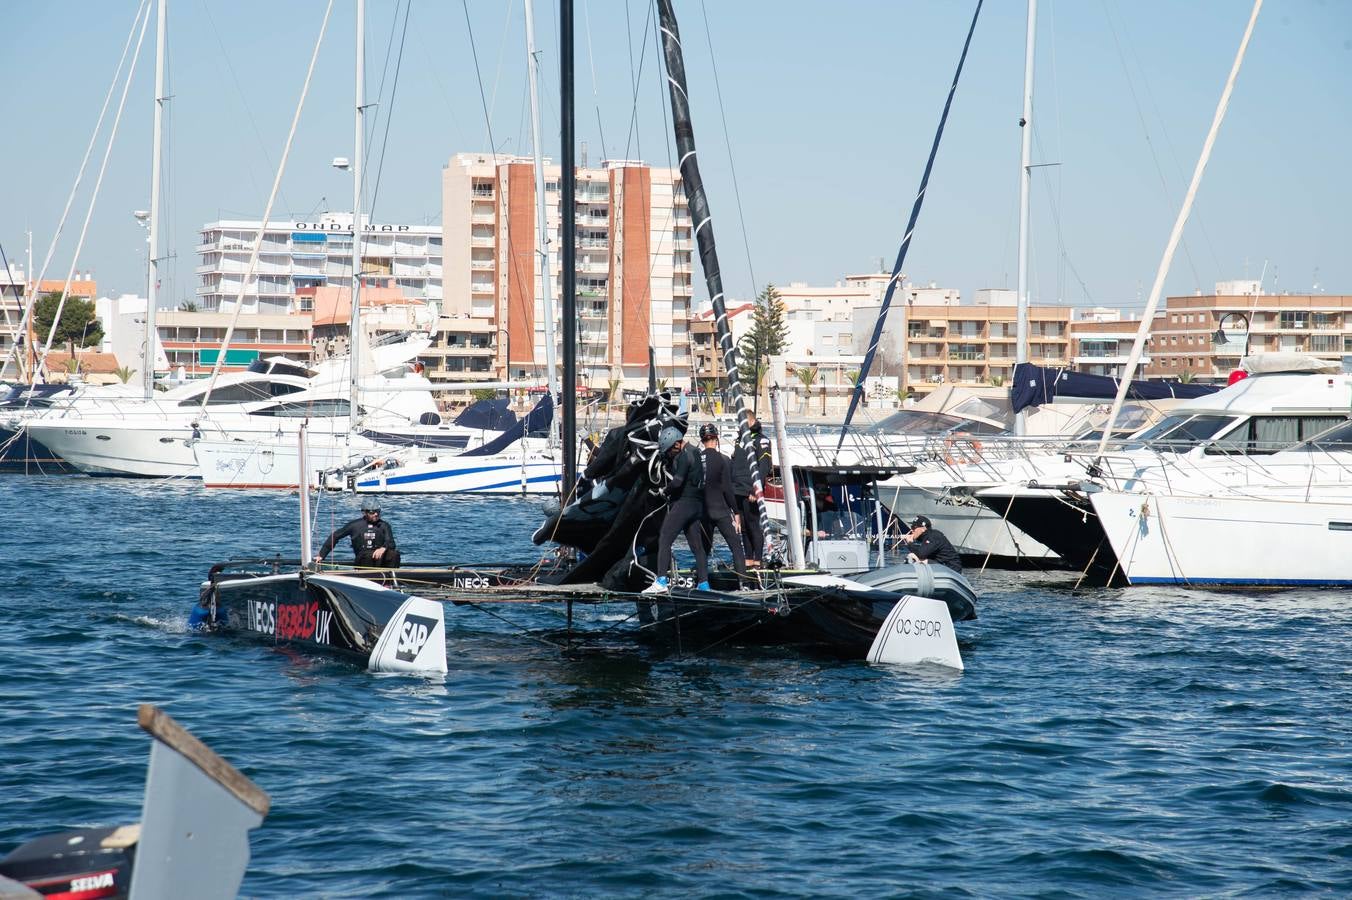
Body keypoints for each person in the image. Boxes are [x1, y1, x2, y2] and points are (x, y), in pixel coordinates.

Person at [643, 425, 709, 594]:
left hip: (684, 504)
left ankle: (661, 582)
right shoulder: (695, 451)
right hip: (697, 506)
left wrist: (663, 491)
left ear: (677, 444)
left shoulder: (685, 455)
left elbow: (677, 482)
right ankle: (704, 584)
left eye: (669, 451)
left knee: (665, 538)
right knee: (697, 547)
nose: (669, 454)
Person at [697, 424, 747, 582]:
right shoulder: (723, 459)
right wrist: (736, 512)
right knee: (736, 547)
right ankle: (743, 583)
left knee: (703, 550)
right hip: (721, 510)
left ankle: (701, 582)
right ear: (716, 439)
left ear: (702, 440)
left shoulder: (696, 459)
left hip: (704, 511)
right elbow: (727, 489)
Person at [730, 411, 773, 565]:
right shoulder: (740, 440)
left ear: (752, 421)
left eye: (743, 422)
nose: (740, 425)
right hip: (737, 489)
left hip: (751, 489)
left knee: (753, 524)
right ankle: (748, 559)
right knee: (743, 527)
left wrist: (756, 488)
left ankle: (758, 560)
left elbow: (765, 466)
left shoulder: (762, 440)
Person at [315, 503, 401, 568]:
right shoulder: (354, 525)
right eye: (372, 512)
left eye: (378, 511)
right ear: (365, 513)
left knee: (394, 554)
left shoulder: (384, 525)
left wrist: (383, 548)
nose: (376, 514)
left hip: (380, 558)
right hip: (363, 559)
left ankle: (391, 579)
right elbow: (335, 536)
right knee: (368, 555)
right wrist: (321, 555)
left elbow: (391, 543)